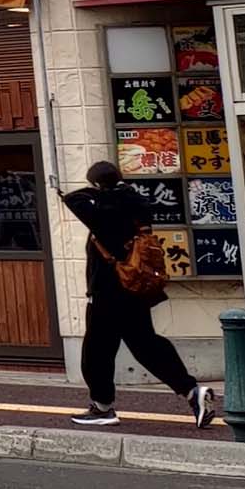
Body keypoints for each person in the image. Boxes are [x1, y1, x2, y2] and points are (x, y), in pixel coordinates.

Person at [59, 160, 220, 430]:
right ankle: (192, 392)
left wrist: (98, 191)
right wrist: (114, 188)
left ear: (97, 185)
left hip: (108, 291)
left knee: (96, 351)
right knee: (147, 345)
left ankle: (102, 406)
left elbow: (74, 200)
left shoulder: (102, 211)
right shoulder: (136, 203)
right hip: (137, 287)